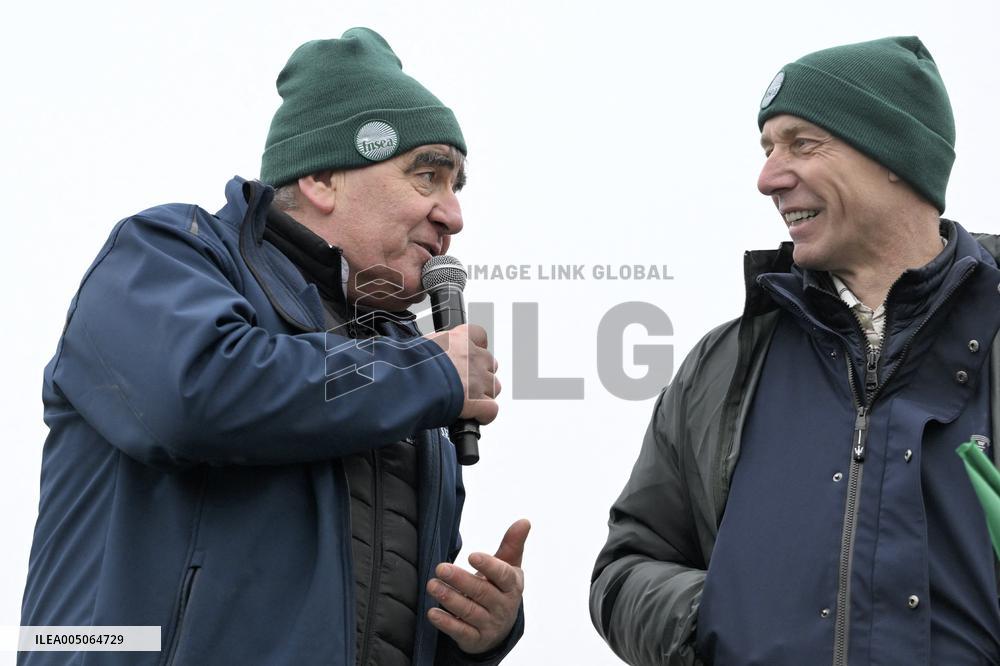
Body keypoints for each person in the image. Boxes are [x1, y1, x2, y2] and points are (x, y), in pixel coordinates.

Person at [19, 28, 527, 666]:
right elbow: (197, 393)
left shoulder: (404, 371)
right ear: (320, 176)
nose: (453, 215)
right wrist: (426, 373)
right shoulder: (166, 254)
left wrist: (472, 635)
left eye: (457, 187)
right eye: (427, 176)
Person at [590, 36, 1000, 665]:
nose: (768, 178)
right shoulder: (721, 366)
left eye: (802, 144)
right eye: (768, 149)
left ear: (896, 153)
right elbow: (627, 565)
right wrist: (716, 618)